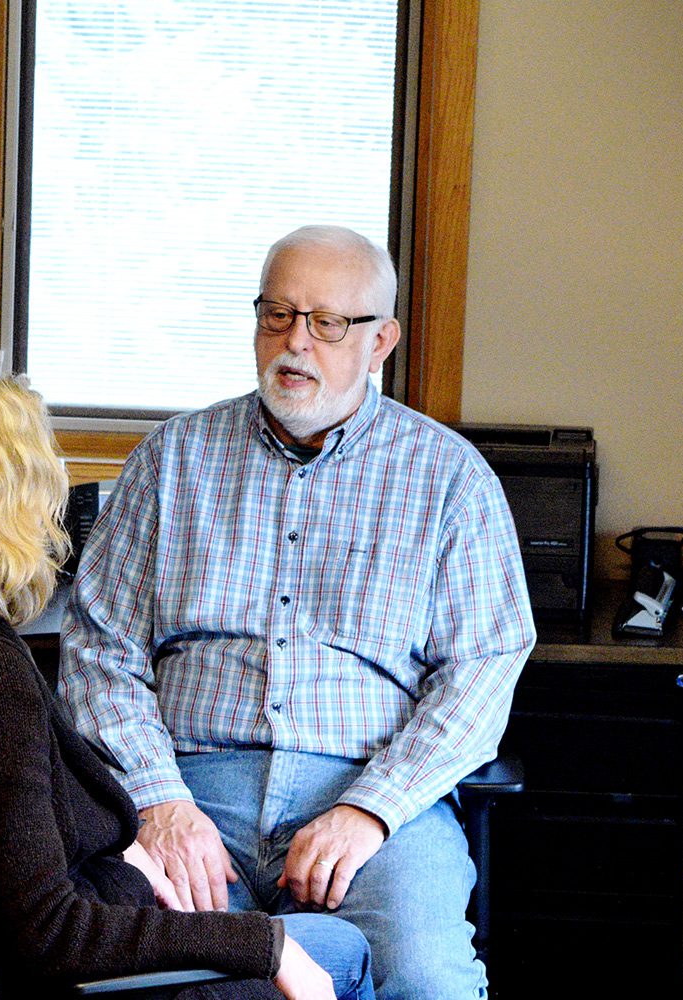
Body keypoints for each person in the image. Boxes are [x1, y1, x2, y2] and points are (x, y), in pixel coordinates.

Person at [60, 226, 537, 999]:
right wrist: (158, 801)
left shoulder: (451, 480)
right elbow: (97, 651)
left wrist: (368, 811)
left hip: (376, 806)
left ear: (381, 340)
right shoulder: (170, 460)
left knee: (422, 978)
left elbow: (481, 674)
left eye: (326, 322)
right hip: (189, 792)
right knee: (133, 975)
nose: (295, 343)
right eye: (276, 315)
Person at [0, 369, 374, 1000]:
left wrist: (118, 847)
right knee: (341, 948)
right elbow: (51, 932)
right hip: (86, 979)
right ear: (6, 500)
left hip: (74, 924)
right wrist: (263, 946)